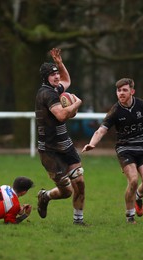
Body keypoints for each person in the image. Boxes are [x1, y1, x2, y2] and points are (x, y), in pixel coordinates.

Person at [82, 78, 143, 224]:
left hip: (142, 148)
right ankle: (130, 216)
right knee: (134, 180)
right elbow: (100, 131)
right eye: (118, 90)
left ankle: (138, 196)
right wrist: (92, 144)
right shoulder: (115, 111)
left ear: (132, 91)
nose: (121, 93)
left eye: (124, 90)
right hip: (125, 149)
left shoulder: (142, 105)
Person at [35, 48, 86, 225]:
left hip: (66, 144)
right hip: (49, 150)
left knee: (79, 181)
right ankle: (45, 196)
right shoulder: (47, 94)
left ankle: (78, 221)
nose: (57, 77)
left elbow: (67, 80)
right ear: (45, 78)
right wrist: (77, 104)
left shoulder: (55, 88)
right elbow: (62, 115)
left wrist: (59, 63)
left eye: (56, 74)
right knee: (66, 191)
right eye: (52, 75)